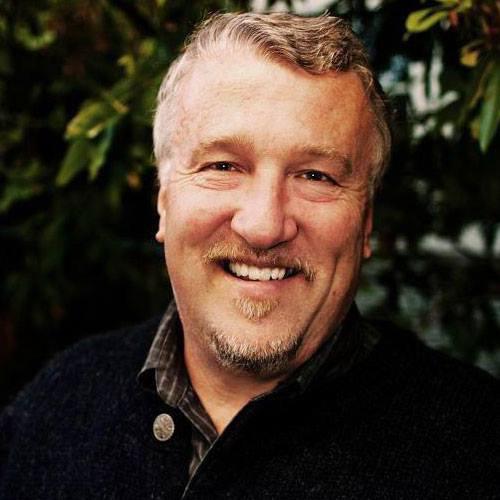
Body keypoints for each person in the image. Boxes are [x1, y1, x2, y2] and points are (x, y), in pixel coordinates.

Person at [1, 12, 499, 499]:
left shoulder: (479, 452)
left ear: (365, 221)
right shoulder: (53, 405)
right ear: (163, 201)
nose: (264, 226)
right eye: (223, 166)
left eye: (316, 176)